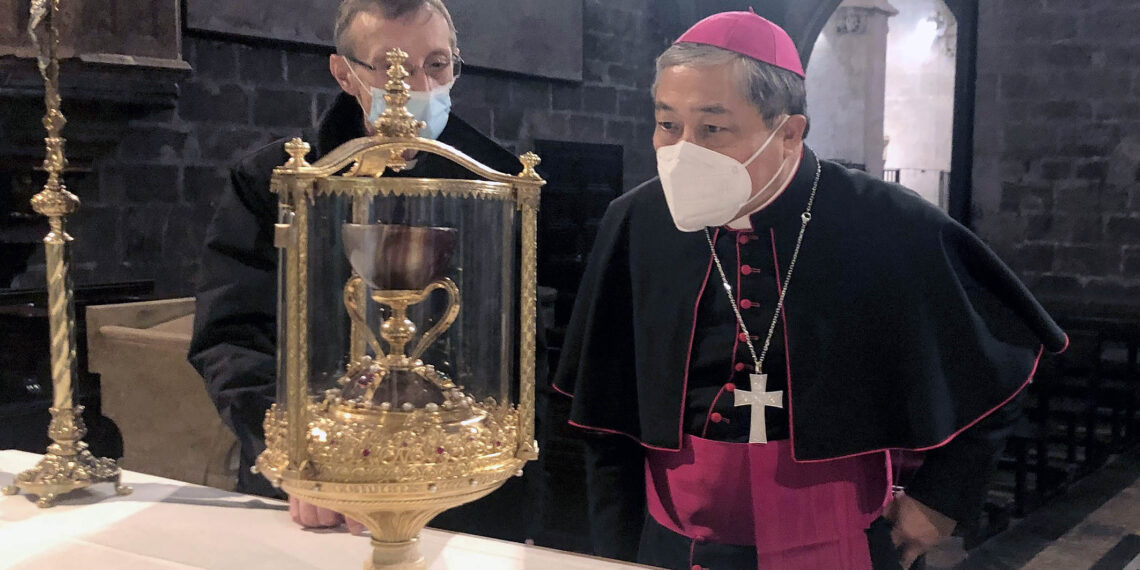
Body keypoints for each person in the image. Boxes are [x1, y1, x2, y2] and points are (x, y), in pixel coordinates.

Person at [552, 11, 1067, 570]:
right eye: (667, 124)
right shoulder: (636, 222)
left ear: (789, 131)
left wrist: (941, 500)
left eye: (712, 129)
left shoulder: (884, 221)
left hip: (834, 539)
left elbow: (1006, 351)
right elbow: (604, 409)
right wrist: (614, 547)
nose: (682, 150)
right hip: (671, 540)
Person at [189, 0, 546, 542]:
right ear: (344, 72)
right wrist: (295, 458)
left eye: (437, 64)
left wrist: (494, 454)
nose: (417, 85)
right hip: (317, 494)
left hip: (463, 489)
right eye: (391, 66)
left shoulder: (499, 184)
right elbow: (231, 335)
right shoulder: (274, 179)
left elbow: (521, 346)